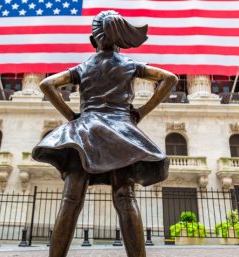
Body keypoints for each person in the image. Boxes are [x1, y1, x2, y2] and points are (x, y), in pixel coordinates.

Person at [32, 10, 178, 257]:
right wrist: (141, 112)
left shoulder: (83, 66)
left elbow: (47, 84)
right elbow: (170, 78)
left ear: (93, 40)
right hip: (120, 134)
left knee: (71, 200)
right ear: (120, 42)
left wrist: (72, 116)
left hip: (85, 132)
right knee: (124, 197)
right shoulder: (131, 65)